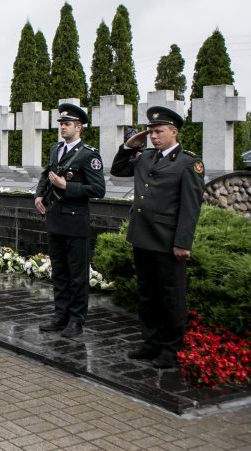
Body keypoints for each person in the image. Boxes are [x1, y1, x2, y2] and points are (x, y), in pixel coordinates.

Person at [111, 106, 204, 369]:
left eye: (159, 131)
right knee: (147, 293)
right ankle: (150, 342)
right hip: (142, 237)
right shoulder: (145, 157)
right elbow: (118, 170)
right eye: (151, 131)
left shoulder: (188, 163)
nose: (153, 136)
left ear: (173, 132)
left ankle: (170, 349)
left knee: (170, 296)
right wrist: (129, 145)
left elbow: (190, 206)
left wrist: (182, 242)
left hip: (166, 240)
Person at [33, 103, 105, 338]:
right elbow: (47, 173)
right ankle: (60, 315)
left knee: (77, 274)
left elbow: (98, 189)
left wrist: (67, 186)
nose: (63, 127)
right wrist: (39, 195)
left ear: (79, 126)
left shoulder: (89, 155)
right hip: (55, 219)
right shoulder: (56, 149)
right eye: (61, 124)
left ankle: (76, 320)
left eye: (67, 124)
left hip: (75, 222)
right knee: (60, 272)